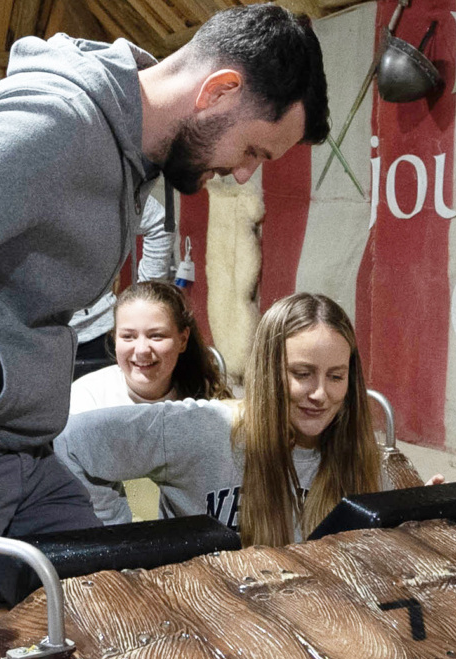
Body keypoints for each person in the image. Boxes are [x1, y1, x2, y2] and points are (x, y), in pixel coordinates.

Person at [0, 3, 327, 612]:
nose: (243, 176)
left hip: (23, 452)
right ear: (219, 91)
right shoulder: (53, 124)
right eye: (253, 151)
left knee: (106, 625)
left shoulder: (133, 150)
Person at [56, 293, 411, 541]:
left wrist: (419, 516)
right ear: (268, 370)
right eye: (302, 373)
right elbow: (68, 442)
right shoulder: (206, 428)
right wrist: (124, 539)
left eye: (335, 376)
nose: (320, 394)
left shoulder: (359, 456)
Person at [69, 279, 224, 414]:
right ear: (115, 339)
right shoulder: (87, 398)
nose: (142, 350)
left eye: (156, 336)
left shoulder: (207, 397)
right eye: (128, 337)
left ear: (182, 340)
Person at [69, 190, 176, 379]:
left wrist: (144, 300)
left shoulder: (95, 181)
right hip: (26, 342)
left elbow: (159, 222)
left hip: (101, 338)